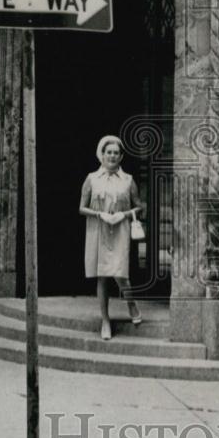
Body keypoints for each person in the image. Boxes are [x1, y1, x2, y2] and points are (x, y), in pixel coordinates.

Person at [79, 135, 144, 340]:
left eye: (116, 153)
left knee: (120, 273)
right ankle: (105, 320)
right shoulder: (91, 178)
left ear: (121, 156)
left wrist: (123, 215)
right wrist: (100, 214)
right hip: (98, 228)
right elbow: (81, 208)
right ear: (102, 154)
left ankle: (131, 304)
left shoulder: (128, 180)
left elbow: (140, 206)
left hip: (120, 228)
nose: (113, 156)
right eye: (109, 152)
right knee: (102, 275)